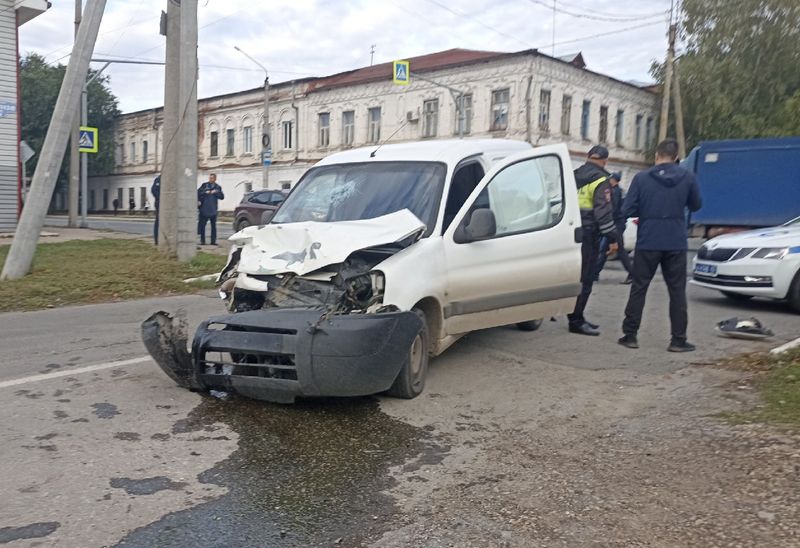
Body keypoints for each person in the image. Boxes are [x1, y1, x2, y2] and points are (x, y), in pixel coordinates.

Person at [618, 139, 702, 352]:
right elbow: (696, 204)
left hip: (648, 239)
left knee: (639, 287)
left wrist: (647, 212)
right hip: (675, 240)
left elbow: (628, 209)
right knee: (677, 290)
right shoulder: (687, 177)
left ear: (657, 155)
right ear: (676, 158)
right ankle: (678, 340)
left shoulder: (641, 178)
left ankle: (630, 335)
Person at [567, 145, 619, 336]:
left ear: (588, 157)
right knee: (586, 278)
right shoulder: (601, 179)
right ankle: (576, 320)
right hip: (589, 235)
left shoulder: (573, 175)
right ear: (604, 161)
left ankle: (574, 316)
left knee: (575, 276)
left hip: (571, 232)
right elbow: (603, 213)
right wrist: (613, 239)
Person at [594, 172, 633, 284]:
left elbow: (613, 209)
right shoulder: (618, 191)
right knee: (604, 249)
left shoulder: (615, 192)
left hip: (616, 224)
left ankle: (633, 274)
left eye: (610, 179)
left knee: (619, 250)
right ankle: (595, 274)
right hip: (616, 224)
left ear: (614, 181)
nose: (609, 180)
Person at [197, 173, 224, 245]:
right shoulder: (204, 185)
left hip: (213, 209)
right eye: (210, 178)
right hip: (204, 209)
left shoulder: (217, 187)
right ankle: (202, 241)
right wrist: (205, 192)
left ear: (215, 179)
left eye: (212, 178)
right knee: (202, 225)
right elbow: (198, 193)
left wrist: (216, 192)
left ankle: (213, 241)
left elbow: (222, 197)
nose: (210, 179)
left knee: (213, 226)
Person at [151, 174, 161, 245]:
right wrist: (160, 198)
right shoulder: (159, 179)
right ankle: (157, 239)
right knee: (158, 220)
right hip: (159, 203)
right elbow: (153, 190)